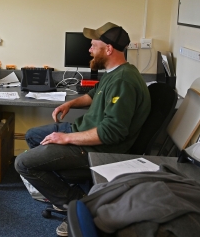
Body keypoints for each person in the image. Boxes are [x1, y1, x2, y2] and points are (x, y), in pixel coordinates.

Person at [15, 22, 151, 236]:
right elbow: (93, 94)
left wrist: (66, 139)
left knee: (23, 163)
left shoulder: (124, 80)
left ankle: (79, 205)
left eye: (93, 45)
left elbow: (111, 132)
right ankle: (63, 189)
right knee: (33, 136)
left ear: (108, 49)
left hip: (99, 148)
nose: (89, 50)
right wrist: (70, 104)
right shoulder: (115, 71)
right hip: (84, 130)